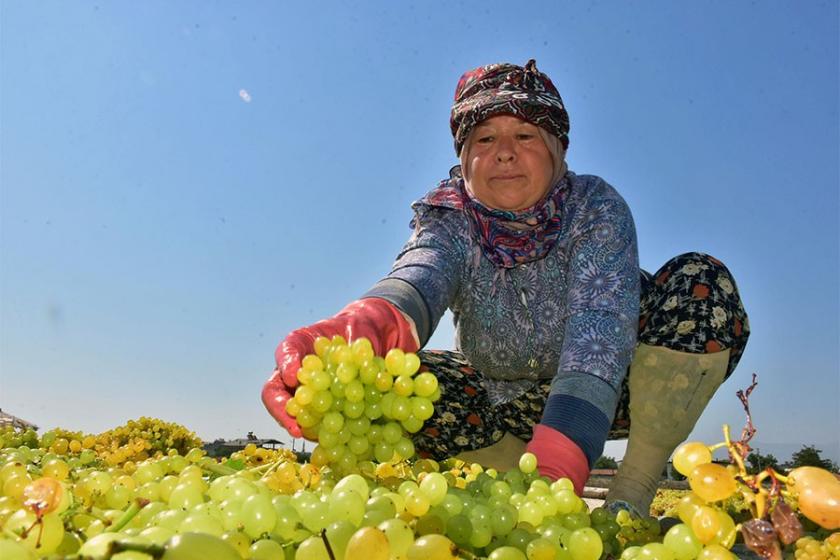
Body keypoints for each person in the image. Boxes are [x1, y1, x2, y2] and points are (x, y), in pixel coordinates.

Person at [262, 59, 750, 515]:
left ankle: (633, 487)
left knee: (700, 284)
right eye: (484, 138)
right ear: (465, 157)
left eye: (526, 134)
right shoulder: (450, 218)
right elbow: (421, 272)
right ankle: (507, 478)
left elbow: (598, 331)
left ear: (559, 150)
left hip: (616, 388)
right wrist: (366, 323)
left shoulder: (595, 207)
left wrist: (565, 449)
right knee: (390, 382)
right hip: (500, 402)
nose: (505, 151)